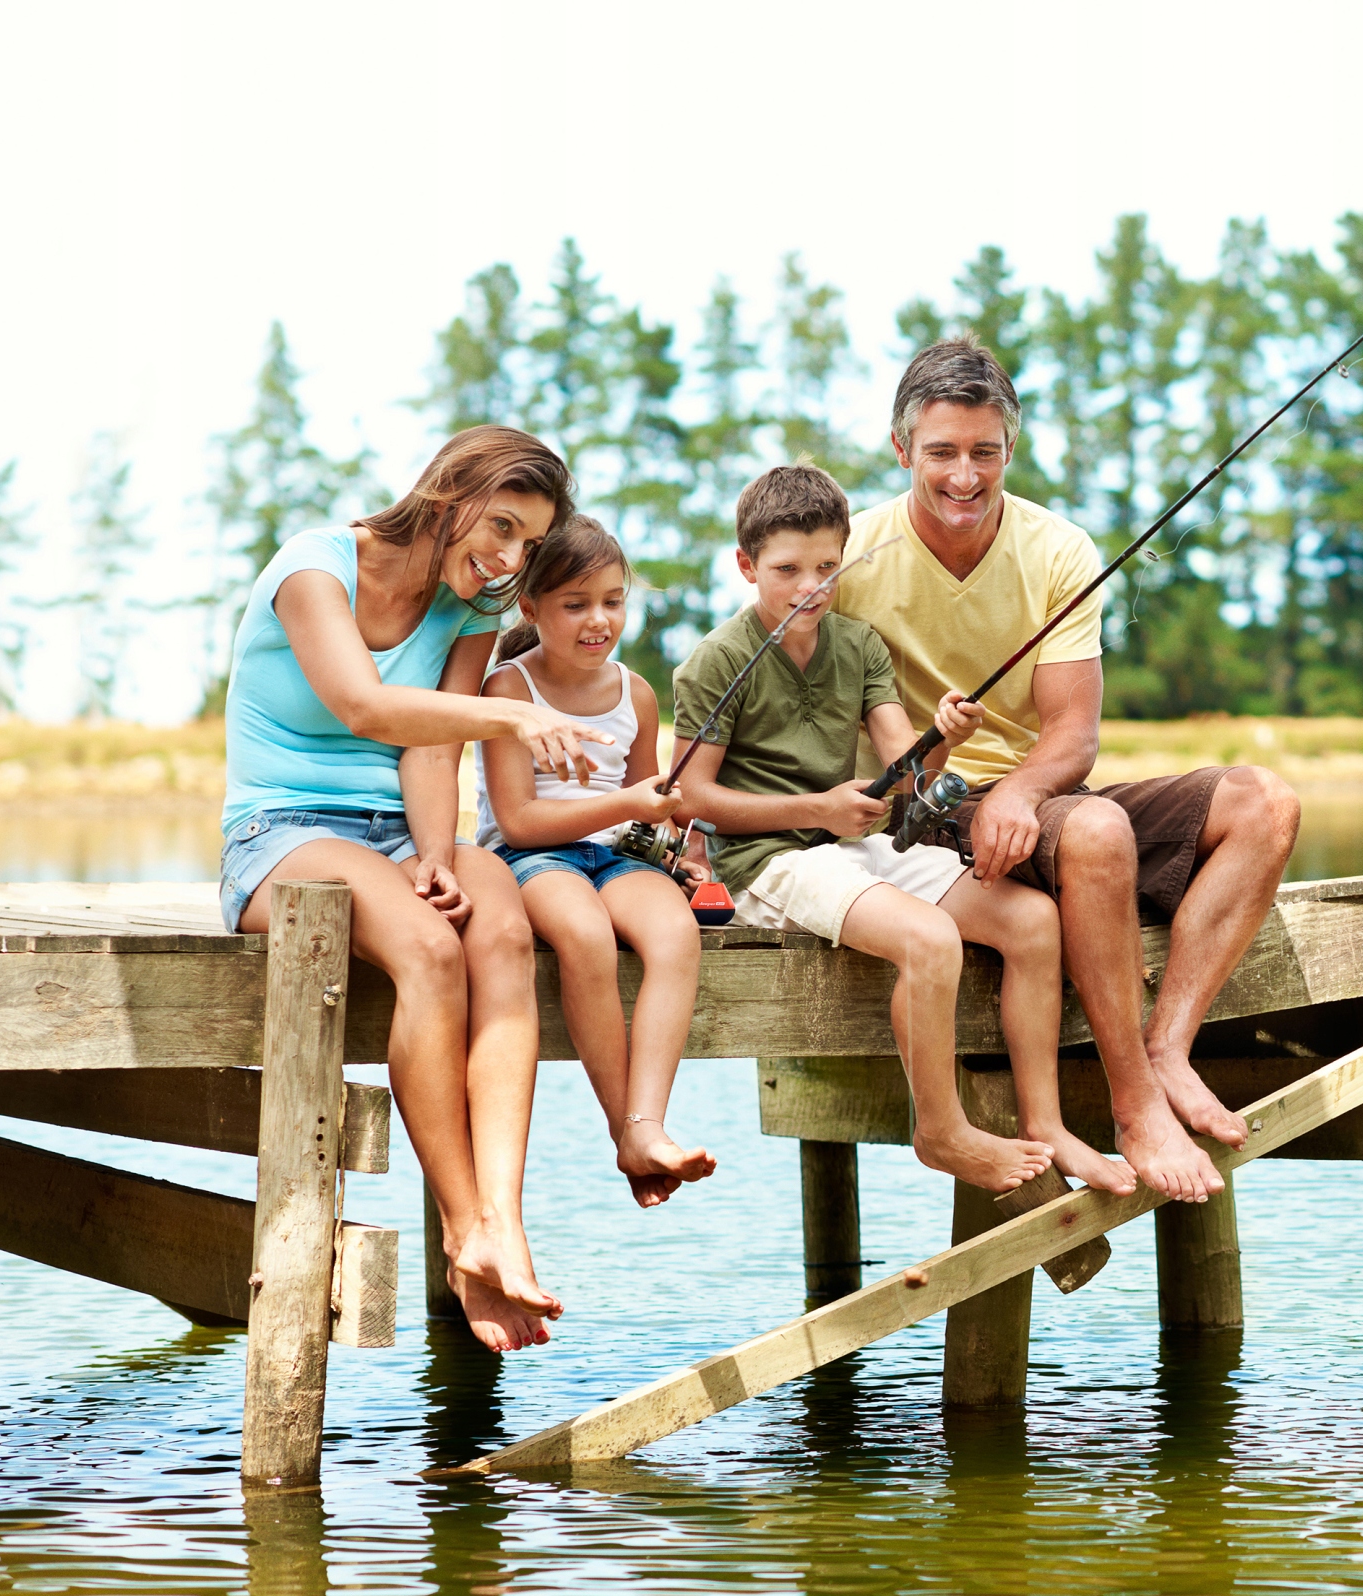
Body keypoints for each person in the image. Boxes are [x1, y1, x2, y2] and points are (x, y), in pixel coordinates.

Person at [834, 337, 1302, 1206]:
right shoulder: (852, 557)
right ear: (903, 451)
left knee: (1263, 804)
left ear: (1011, 450)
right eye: (941, 453)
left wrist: (1017, 790)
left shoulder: (1059, 549)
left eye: (984, 452)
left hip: (1037, 799)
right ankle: (1134, 1108)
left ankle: (1166, 1048)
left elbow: (1072, 734)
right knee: (1095, 827)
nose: (964, 476)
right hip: (918, 809)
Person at [219, 426, 609, 1353]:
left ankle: (503, 1224)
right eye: (502, 527)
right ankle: (464, 1228)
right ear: (448, 493)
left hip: (399, 830)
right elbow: (364, 706)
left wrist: (436, 851)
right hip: (281, 830)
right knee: (432, 950)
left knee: (500, 926)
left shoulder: (470, 607)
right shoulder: (314, 568)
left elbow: (432, 745)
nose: (509, 559)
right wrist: (512, 715)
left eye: (528, 544)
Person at [670, 462, 1088, 1196]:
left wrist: (946, 734)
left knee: (1032, 922)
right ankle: (941, 1129)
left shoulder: (858, 645)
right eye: (788, 569)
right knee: (930, 939)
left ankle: (1044, 1120)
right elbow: (689, 797)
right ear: (746, 566)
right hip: (766, 862)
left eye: (828, 568)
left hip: (846, 846)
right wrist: (816, 810)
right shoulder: (715, 661)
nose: (812, 587)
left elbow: (907, 767)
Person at [477, 515, 718, 1209]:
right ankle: (628, 1130)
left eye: (612, 601)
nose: (598, 620)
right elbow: (519, 820)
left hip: (614, 859)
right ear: (531, 607)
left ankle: (648, 1121)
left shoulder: (636, 694)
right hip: (530, 859)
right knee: (583, 935)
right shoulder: (508, 691)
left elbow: (647, 805)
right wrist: (629, 807)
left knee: (674, 932)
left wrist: (671, 836)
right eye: (575, 604)